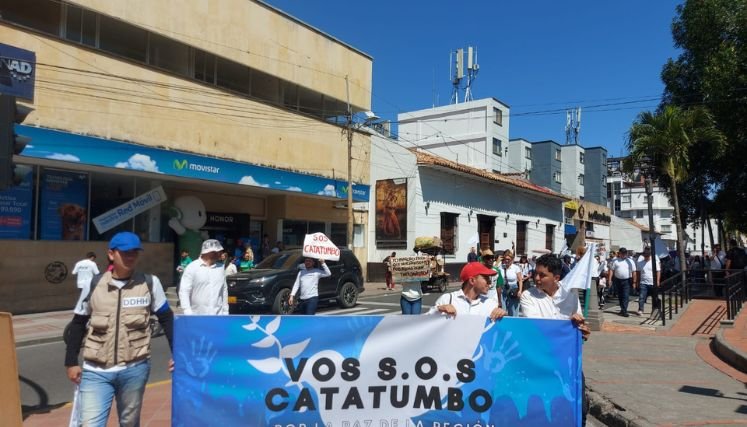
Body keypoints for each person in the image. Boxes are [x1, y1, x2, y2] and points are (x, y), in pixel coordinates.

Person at [63, 232, 174, 426]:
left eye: (134, 253)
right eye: (125, 253)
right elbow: (78, 323)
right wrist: (71, 361)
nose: (130, 257)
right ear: (111, 254)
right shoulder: (95, 283)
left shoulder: (149, 283)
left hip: (134, 369)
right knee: (90, 423)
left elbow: (167, 319)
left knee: (129, 423)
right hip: (95, 371)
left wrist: (178, 353)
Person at [519, 254, 590, 426]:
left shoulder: (571, 295)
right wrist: (568, 326)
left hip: (567, 360)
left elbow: (577, 322)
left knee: (579, 404)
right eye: (536, 273)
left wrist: (581, 329)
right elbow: (538, 327)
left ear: (556, 278)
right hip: (540, 360)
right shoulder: (528, 296)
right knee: (540, 405)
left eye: (542, 275)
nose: (536, 278)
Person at [427, 262, 507, 320]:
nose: (490, 283)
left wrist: (502, 315)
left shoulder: (490, 303)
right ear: (472, 281)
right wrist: (439, 309)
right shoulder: (447, 299)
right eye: (486, 278)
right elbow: (424, 323)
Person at [179, 239, 229, 315]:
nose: (221, 253)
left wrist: (225, 311)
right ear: (210, 252)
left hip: (218, 317)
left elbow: (224, 290)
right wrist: (187, 312)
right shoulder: (192, 267)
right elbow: (184, 291)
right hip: (197, 317)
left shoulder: (221, 268)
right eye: (219, 251)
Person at [607, 247, 637, 317]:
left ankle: (624, 310)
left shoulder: (630, 261)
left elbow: (634, 272)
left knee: (625, 295)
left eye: (625, 253)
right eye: (622, 253)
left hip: (627, 280)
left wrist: (634, 282)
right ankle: (622, 309)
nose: (624, 254)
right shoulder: (615, 261)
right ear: (619, 254)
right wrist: (610, 280)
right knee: (620, 296)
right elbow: (611, 270)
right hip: (617, 280)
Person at [635, 247, 661, 316]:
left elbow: (658, 271)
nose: (646, 257)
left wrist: (658, 281)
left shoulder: (654, 262)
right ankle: (640, 309)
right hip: (643, 283)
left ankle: (654, 309)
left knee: (654, 297)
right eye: (645, 256)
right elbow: (638, 272)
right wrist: (637, 281)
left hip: (653, 282)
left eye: (647, 256)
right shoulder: (640, 263)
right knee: (641, 296)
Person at [501, 249, 524, 316]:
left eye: (509, 259)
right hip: (503, 290)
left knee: (513, 311)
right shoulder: (501, 267)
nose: (507, 260)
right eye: (505, 259)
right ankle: (503, 325)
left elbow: (520, 280)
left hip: (513, 289)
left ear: (512, 259)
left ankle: (514, 324)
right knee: (502, 310)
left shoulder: (516, 268)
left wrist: (520, 291)